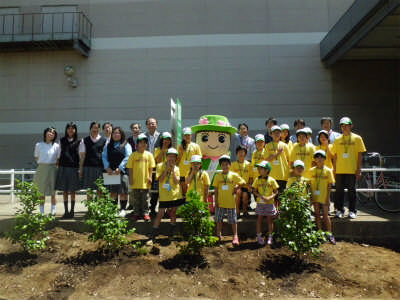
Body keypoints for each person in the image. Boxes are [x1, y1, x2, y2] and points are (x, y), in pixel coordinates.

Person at [332, 117, 366, 219]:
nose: (344, 127)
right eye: (342, 126)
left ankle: (352, 210)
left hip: (352, 169)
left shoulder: (357, 138)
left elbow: (360, 155)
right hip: (340, 170)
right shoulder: (338, 139)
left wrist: (359, 169)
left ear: (351, 126)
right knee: (339, 191)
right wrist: (334, 169)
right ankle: (340, 210)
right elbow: (335, 156)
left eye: (346, 125)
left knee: (352, 191)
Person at [150, 148, 185, 242]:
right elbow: (160, 180)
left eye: (174, 157)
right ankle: (153, 234)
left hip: (175, 195)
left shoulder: (177, 168)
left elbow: (177, 181)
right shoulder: (160, 165)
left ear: (176, 158)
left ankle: (171, 233)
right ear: (166, 157)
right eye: (170, 156)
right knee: (160, 214)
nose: (171, 158)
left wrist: (173, 170)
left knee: (173, 213)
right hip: (164, 196)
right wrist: (166, 169)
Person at [213, 155, 246, 246]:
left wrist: (237, 187)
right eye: (223, 165)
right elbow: (216, 190)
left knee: (233, 220)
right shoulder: (217, 176)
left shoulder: (233, 175)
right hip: (220, 202)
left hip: (231, 203)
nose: (225, 166)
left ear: (230, 165)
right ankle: (218, 234)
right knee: (219, 220)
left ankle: (235, 236)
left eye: (227, 164)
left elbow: (243, 182)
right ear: (220, 166)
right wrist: (216, 201)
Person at [306, 150, 336, 244]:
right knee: (317, 215)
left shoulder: (328, 171)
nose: (319, 159)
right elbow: (309, 185)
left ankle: (330, 234)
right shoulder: (311, 171)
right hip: (315, 197)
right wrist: (311, 197)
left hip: (324, 196)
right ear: (315, 159)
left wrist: (328, 198)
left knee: (326, 215)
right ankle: (319, 233)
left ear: (324, 159)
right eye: (317, 157)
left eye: (321, 157)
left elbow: (329, 185)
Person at [102, 127, 132, 217]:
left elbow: (128, 156)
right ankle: (113, 210)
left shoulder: (126, 144)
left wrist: (120, 167)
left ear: (121, 134)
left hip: (122, 171)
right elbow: (104, 156)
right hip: (111, 172)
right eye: (114, 133)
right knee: (113, 192)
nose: (116, 135)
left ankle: (123, 209)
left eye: (118, 133)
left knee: (123, 191)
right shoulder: (108, 145)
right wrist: (107, 167)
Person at [126, 133, 155, 221]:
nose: (143, 144)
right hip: (135, 181)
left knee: (145, 199)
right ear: (137, 144)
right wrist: (130, 178)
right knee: (136, 198)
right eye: (140, 142)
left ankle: (145, 213)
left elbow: (151, 167)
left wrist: (150, 177)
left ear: (146, 144)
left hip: (145, 181)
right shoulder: (133, 155)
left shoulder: (149, 155)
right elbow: (130, 168)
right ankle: (136, 213)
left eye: (144, 143)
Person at [55, 122, 80, 218]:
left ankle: (72, 211)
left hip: (74, 168)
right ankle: (66, 211)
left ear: (75, 130)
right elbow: (58, 155)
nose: (70, 130)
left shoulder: (79, 141)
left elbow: (80, 156)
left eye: (73, 128)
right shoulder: (61, 141)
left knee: (73, 191)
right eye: (69, 128)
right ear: (66, 130)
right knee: (64, 190)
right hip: (63, 167)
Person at [33, 127, 60, 215]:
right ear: (45, 133)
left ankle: (53, 211)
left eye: (53, 133)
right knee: (41, 191)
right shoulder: (39, 145)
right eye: (49, 132)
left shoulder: (56, 146)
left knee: (53, 191)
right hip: (42, 168)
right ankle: (41, 211)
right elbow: (37, 157)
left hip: (53, 168)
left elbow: (58, 159)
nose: (51, 134)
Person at [252, 161, 279, 246]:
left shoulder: (272, 180)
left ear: (267, 170)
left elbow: (276, 191)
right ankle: (259, 236)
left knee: (269, 220)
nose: (259, 170)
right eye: (259, 168)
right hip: (260, 203)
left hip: (270, 203)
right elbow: (254, 191)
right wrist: (261, 196)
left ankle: (270, 236)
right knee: (259, 219)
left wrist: (270, 197)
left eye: (261, 168)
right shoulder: (257, 179)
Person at [264, 125, 290, 208]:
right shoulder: (267, 146)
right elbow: (266, 160)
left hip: (282, 175)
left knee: (281, 196)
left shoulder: (285, 146)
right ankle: (274, 213)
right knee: (273, 196)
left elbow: (289, 160)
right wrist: (277, 153)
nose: (276, 135)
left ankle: (280, 213)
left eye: (278, 133)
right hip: (271, 175)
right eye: (274, 133)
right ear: (271, 134)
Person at [79, 122, 107, 196]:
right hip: (88, 167)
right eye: (93, 128)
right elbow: (82, 156)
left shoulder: (104, 140)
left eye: (97, 128)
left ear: (99, 129)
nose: (95, 130)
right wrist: (81, 169)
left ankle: (99, 207)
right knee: (89, 190)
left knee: (100, 189)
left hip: (100, 168)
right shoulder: (84, 140)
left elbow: (105, 156)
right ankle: (90, 207)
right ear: (90, 129)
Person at [177, 127, 202, 197]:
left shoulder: (196, 146)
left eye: (188, 135)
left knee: (192, 190)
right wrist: (181, 152)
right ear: (183, 136)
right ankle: (185, 206)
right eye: (185, 135)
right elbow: (177, 161)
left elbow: (199, 159)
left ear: (192, 135)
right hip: (182, 172)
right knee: (184, 192)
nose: (187, 137)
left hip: (192, 171)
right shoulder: (180, 146)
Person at [145, 117, 162, 216]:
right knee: (145, 189)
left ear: (156, 125)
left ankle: (153, 208)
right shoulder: (143, 136)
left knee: (156, 188)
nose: (151, 125)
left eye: (153, 123)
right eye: (149, 123)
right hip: (146, 165)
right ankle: (144, 210)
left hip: (157, 165)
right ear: (147, 125)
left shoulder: (161, 136)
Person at [231, 145, 253, 218]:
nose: (241, 153)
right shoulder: (233, 164)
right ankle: (237, 212)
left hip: (245, 185)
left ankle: (245, 211)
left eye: (242, 152)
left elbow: (250, 177)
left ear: (245, 153)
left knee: (245, 195)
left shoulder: (249, 164)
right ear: (237, 153)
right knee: (238, 192)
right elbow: (232, 177)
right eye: (239, 152)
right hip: (237, 186)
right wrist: (235, 186)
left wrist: (250, 185)